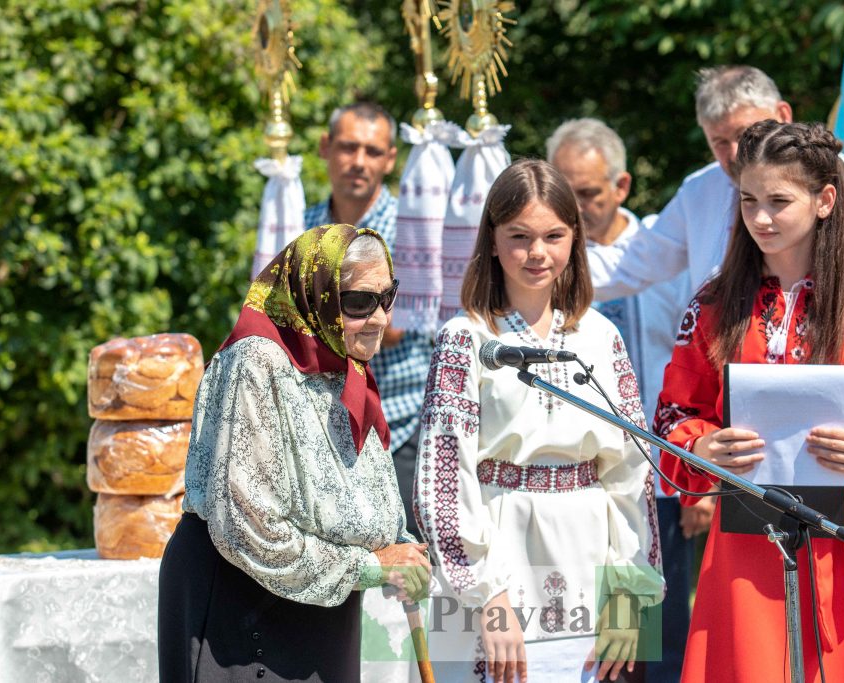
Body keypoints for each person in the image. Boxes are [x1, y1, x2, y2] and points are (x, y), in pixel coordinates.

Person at [654, 121, 844, 682]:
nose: (760, 218)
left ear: (825, 199)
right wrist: (704, 445)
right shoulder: (711, 307)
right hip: (744, 555)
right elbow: (671, 421)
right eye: (749, 200)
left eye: (779, 201)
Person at [414, 159, 664, 682]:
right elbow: (443, 479)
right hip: (498, 549)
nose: (536, 253)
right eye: (519, 236)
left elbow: (629, 474)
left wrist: (627, 595)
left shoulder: (601, 337)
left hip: (589, 552)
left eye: (554, 235)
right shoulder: (466, 338)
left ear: (575, 238)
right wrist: (486, 596)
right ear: (492, 239)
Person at [158, 225, 431, 682]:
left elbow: (362, 494)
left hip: (319, 603)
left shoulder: (344, 364)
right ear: (316, 295)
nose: (381, 318)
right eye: (360, 302)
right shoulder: (257, 362)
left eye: (388, 297)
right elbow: (251, 529)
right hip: (243, 606)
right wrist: (370, 567)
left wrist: (397, 547)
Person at [586, 65, 844, 383]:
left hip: (831, 390)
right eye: (719, 142)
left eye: (744, 133)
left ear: (783, 115)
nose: (734, 153)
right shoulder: (699, 191)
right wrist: (552, 267)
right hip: (726, 400)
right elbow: (633, 261)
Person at [546, 117, 691, 682]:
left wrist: (695, 484)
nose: (577, 210)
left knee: (653, 641)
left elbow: (698, 363)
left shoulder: (664, 254)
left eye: (589, 194)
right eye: (566, 194)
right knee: (587, 639)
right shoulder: (543, 264)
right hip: (574, 483)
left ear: (622, 186)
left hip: (656, 480)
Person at [305, 102, 431, 541]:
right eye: (348, 147)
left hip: (400, 429)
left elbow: (390, 327)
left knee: (403, 583)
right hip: (317, 431)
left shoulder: (416, 229)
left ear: (391, 158)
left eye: (373, 151)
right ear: (325, 147)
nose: (359, 162)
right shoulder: (301, 229)